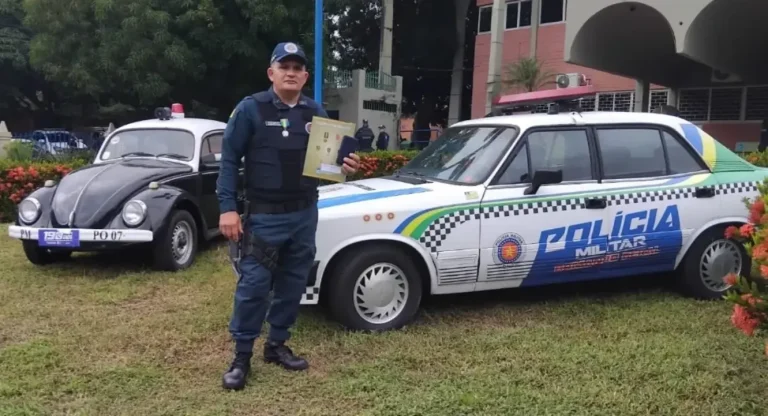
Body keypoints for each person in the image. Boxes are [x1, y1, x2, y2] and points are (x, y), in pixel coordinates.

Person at [216, 41, 361, 391]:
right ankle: (242, 356)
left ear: (306, 75)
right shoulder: (250, 109)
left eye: (298, 68)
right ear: (272, 73)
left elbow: (330, 162)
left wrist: (346, 164)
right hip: (264, 216)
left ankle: (277, 344)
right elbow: (229, 161)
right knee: (253, 287)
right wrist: (228, 208)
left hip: (304, 213)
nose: (292, 72)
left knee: (293, 283)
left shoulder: (315, 111)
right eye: (285, 66)